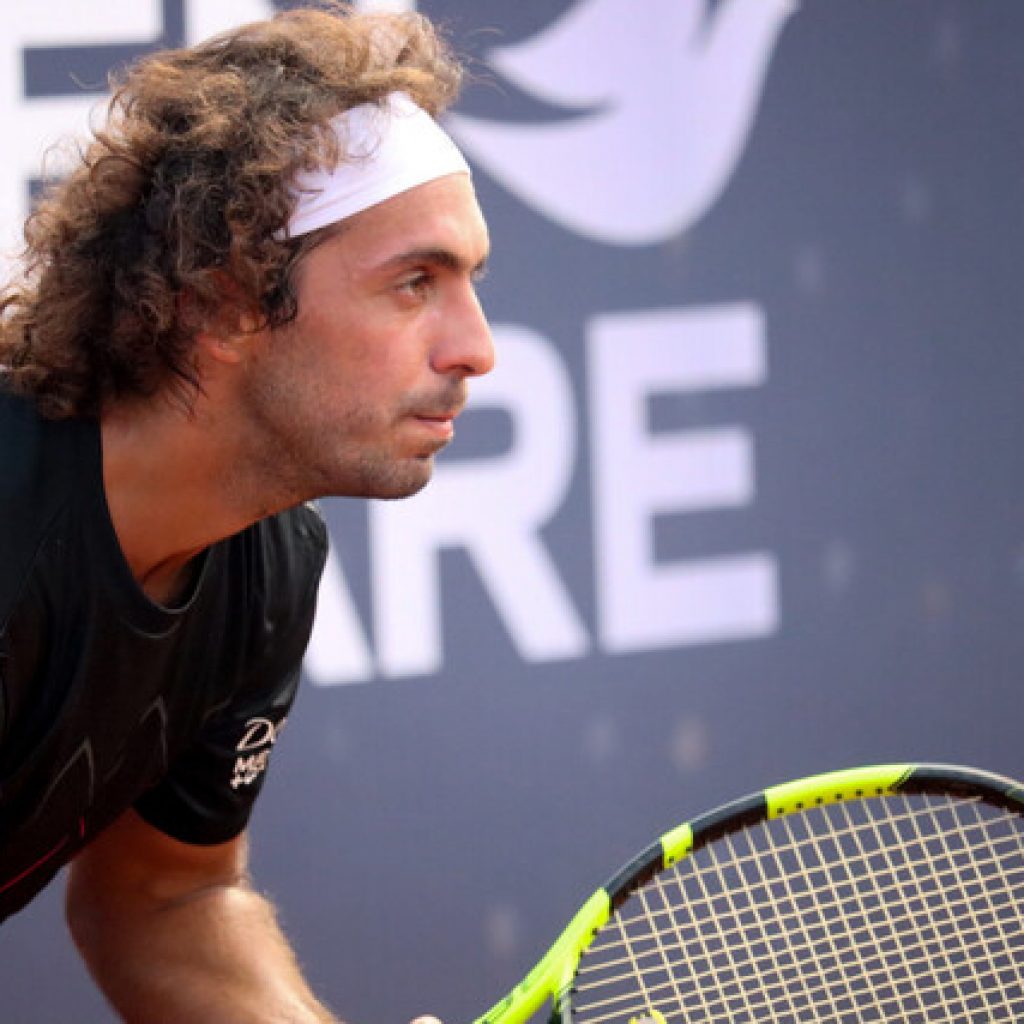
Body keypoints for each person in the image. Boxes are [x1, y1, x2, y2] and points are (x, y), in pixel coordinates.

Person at [0, 3, 493, 1021]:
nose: (475, 348)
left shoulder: (267, 559)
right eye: (414, 283)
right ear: (225, 303)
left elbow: (163, 897)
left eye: (468, 280)